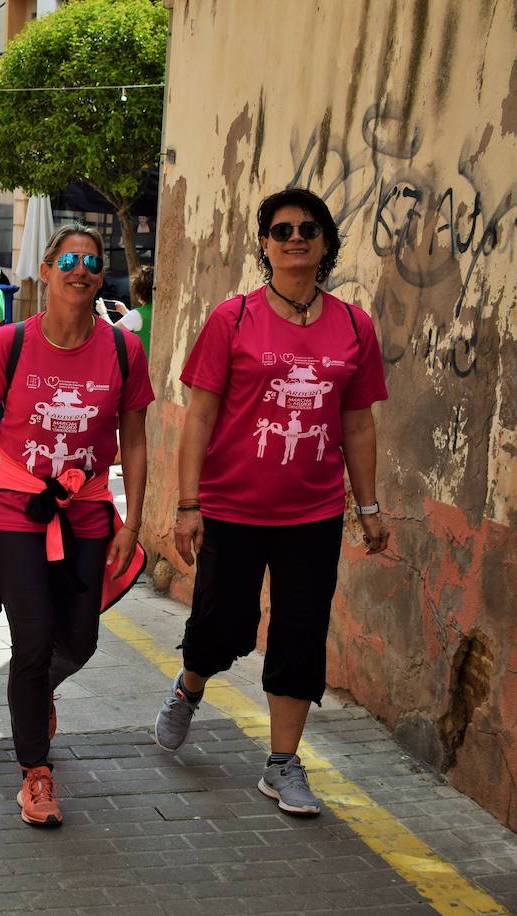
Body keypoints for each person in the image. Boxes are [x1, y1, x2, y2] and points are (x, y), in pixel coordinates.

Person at [153, 187, 391, 817]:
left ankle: (282, 763)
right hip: (232, 508)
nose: (295, 238)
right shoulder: (232, 319)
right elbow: (199, 418)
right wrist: (186, 504)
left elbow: (359, 424)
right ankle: (190, 683)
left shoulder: (353, 326)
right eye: (281, 229)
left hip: (312, 514)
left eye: (308, 229)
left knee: (300, 633)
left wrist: (368, 508)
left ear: (324, 244)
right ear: (264, 244)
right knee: (222, 627)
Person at [0, 222, 151, 827]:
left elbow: (135, 443)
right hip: (14, 506)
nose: (80, 269)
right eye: (68, 259)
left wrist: (132, 521)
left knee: (80, 641)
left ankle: (36, 694)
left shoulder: (123, 350)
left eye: (91, 261)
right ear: (46, 269)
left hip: (87, 510)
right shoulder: (8, 344)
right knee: (32, 638)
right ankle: (35, 772)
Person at [116, 265, 154, 354]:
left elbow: (110, 333)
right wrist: (126, 313)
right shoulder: (162, 311)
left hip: (142, 366)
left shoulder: (136, 315)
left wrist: (103, 312)